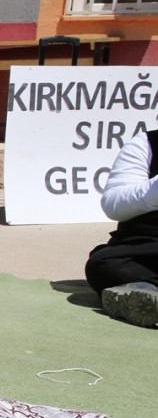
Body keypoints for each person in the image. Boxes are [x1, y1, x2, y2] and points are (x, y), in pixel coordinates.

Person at [84, 128, 158, 327]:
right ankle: (145, 291)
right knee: (103, 263)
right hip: (148, 246)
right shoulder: (145, 144)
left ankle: (145, 290)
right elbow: (113, 205)